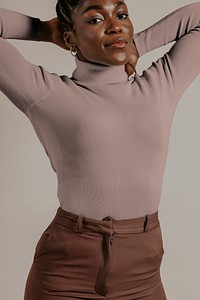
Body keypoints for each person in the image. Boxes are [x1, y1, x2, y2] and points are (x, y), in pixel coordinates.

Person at [0, 0, 200, 299]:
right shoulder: (46, 93)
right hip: (65, 273)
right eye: (95, 19)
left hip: (142, 273)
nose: (115, 24)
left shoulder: (161, 84)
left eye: (121, 15)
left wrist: (135, 45)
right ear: (70, 38)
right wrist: (43, 30)